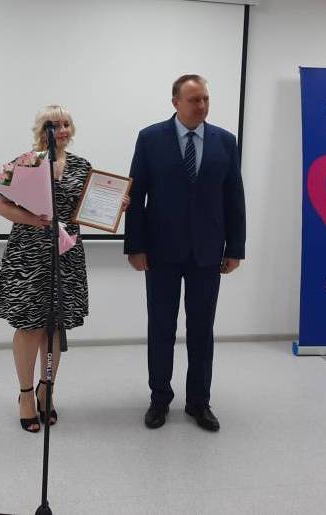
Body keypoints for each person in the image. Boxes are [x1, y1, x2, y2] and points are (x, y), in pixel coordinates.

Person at [124, 74, 246, 432]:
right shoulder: (150, 139)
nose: (202, 106)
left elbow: (234, 197)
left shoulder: (226, 141)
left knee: (202, 330)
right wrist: (135, 246)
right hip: (160, 251)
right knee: (161, 327)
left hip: (207, 252)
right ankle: (159, 399)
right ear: (175, 102)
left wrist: (235, 247)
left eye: (205, 98)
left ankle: (199, 402)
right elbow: (136, 196)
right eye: (194, 100)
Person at [0, 105, 91, 433]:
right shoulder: (26, 162)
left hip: (66, 252)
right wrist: (35, 220)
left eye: (65, 124)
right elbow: (1, 206)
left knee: (55, 326)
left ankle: (47, 390)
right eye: (54, 124)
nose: (61, 130)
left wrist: (116, 206)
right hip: (28, 254)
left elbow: (88, 208)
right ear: (42, 129)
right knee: (29, 325)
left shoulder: (83, 166)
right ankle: (25, 395)